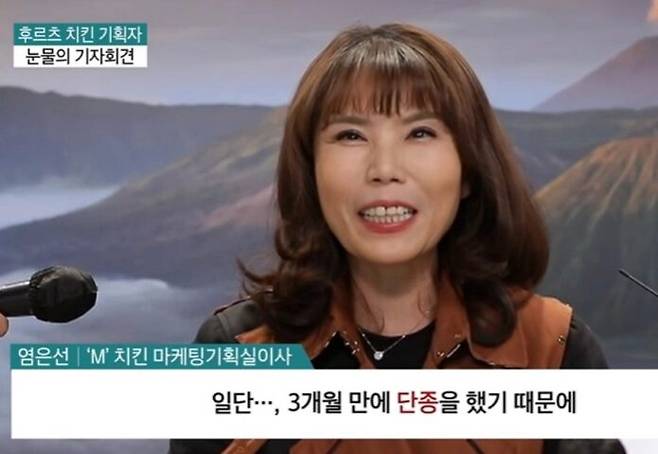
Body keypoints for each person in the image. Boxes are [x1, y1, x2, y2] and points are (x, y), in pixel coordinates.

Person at [170, 22, 625, 454]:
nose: (384, 169)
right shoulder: (237, 348)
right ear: (310, 171)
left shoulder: (552, 348)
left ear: (469, 171)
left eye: (420, 133)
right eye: (351, 135)